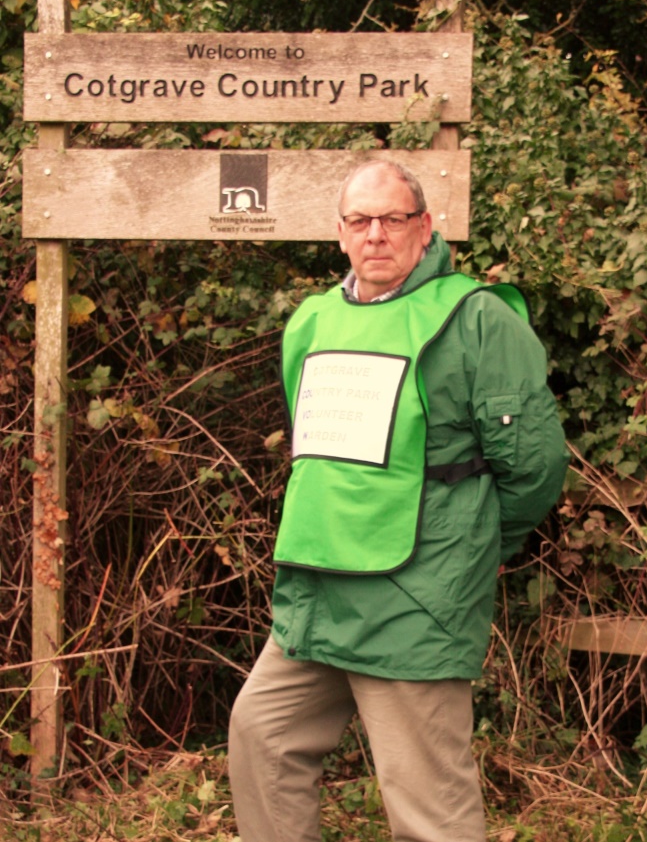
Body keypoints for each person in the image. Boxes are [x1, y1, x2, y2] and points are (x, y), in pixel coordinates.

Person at [228, 159, 568, 842]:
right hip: (318, 591)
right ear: (340, 232)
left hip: (417, 595)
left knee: (424, 803)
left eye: (392, 218)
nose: (375, 234)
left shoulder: (476, 319)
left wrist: (470, 548)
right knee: (260, 736)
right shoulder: (312, 319)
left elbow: (534, 466)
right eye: (360, 220)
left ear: (425, 227)